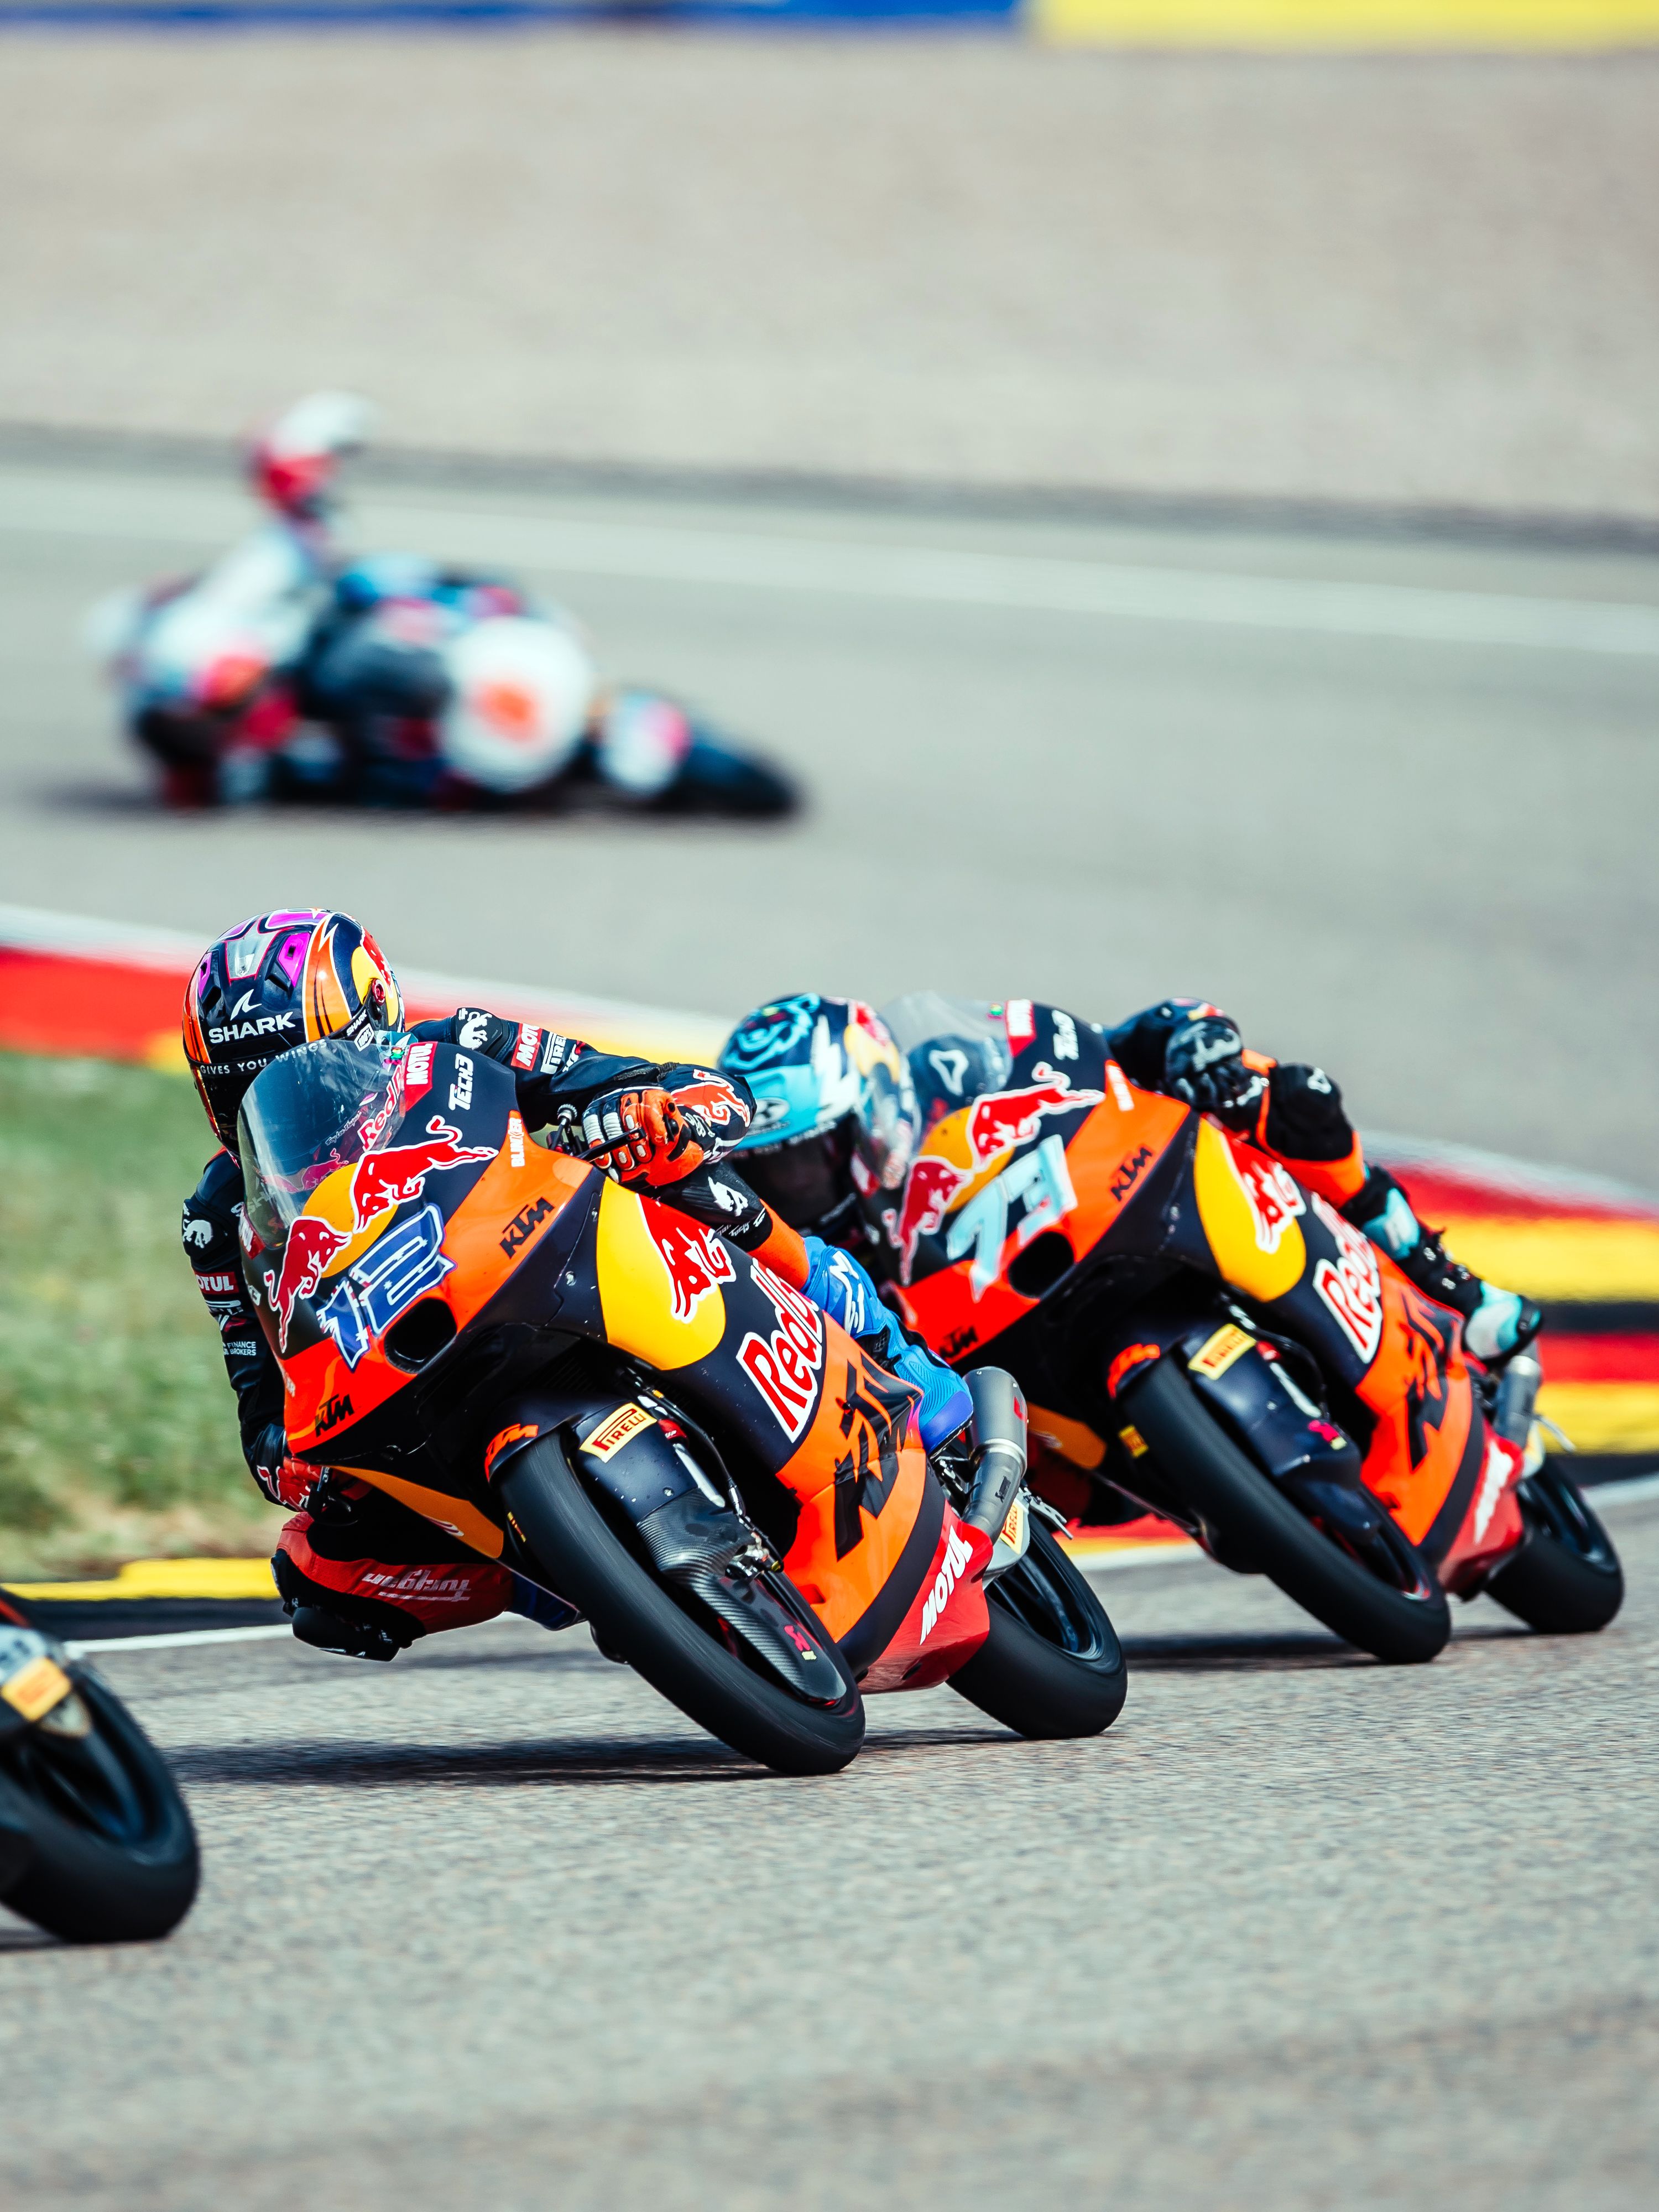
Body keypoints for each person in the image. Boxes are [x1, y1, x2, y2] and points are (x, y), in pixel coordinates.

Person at [181, 912, 968, 1661]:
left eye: (310, 1077)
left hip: (552, 1260)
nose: (283, 1115)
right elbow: (259, 1398)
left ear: (376, 1034)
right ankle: (590, 1572)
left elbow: (650, 1081)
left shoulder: (464, 1047)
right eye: (241, 1092)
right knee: (319, 1571)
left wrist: (651, 1112)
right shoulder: (219, 1219)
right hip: (405, 1378)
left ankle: (894, 1360)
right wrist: (289, 1463)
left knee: (678, 1171)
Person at [716, 993, 1540, 1368]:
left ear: (874, 1102)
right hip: (1015, 1371)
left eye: (811, 1155)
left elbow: (1099, 1045)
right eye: (774, 1171)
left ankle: (1447, 1280)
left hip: (1089, 1214)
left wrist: (1184, 1036)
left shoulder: (948, 1068)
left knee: (1283, 1100)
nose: (800, 1185)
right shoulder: (818, 1254)